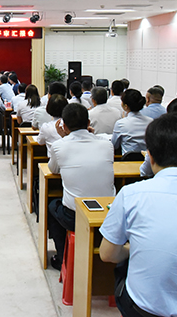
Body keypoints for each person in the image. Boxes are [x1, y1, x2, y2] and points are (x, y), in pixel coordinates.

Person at [100, 113, 177, 317]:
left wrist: (133, 248)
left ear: (150, 156)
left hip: (143, 311)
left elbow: (107, 254)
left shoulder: (131, 194)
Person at [47, 103, 115, 269]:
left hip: (75, 216)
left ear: (64, 126)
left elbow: (53, 169)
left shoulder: (59, 146)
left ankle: (62, 258)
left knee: (52, 206)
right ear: (88, 123)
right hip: (109, 213)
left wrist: (63, 138)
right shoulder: (107, 145)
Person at [111, 89, 152, 154]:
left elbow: (115, 145)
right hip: (146, 158)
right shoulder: (150, 122)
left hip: (128, 159)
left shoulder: (120, 124)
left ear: (126, 106)